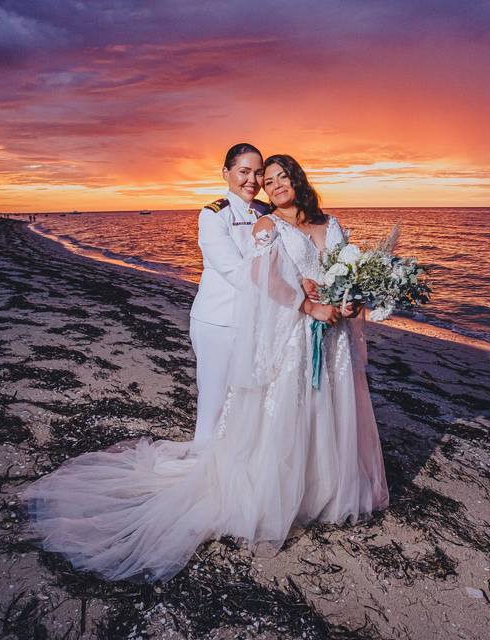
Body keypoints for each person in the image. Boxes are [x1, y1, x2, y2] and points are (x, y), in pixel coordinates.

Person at [22, 154, 389, 583]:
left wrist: (348, 303)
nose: (273, 185)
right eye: (266, 181)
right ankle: (283, 493)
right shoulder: (264, 225)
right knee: (286, 412)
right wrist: (309, 303)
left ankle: (328, 491)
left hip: (334, 337)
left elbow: (348, 279)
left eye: (279, 177)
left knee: (332, 410)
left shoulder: (333, 225)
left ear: (297, 178)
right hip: (294, 331)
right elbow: (259, 279)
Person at [189, 143, 271, 441]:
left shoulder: (266, 211)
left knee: (248, 401)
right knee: (214, 401)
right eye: (244, 171)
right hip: (219, 321)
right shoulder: (213, 215)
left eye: (258, 173)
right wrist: (294, 296)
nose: (252, 180)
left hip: (256, 322)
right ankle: (202, 469)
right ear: (226, 173)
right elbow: (235, 271)